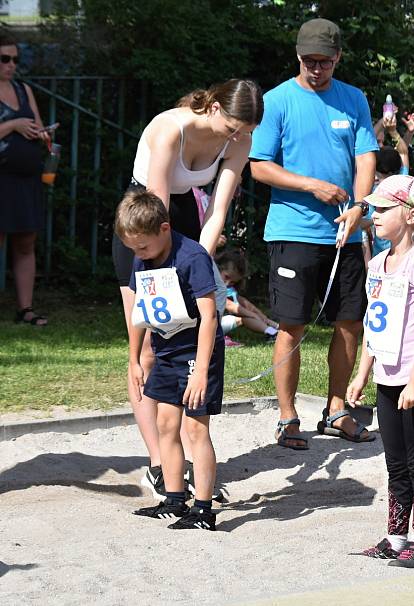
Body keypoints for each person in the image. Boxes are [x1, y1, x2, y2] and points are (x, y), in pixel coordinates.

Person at [112, 78, 263, 499]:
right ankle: (160, 461)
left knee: (187, 336)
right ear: (213, 106)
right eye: (232, 127)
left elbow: (218, 208)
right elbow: (154, 210)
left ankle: (181, 458)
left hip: (186, 223)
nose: (237, 137)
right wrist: (165, 267)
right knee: (146, 345)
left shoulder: (240, 139)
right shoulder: (169, 129)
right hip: (146, 220)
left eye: (245, 131)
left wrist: (197, 259)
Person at [249, 18, 378, 450]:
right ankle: (287, 417)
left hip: (343, 232)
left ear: (338, 57)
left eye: (324, 61)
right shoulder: (276, 101)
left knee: (349, 323)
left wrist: (360, 206)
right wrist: (311, 185)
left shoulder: (354, 99)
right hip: (294, 230)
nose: (316, 68)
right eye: (309, 61)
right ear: (298, 56)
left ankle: (336, 408)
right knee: (292, 325)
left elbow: (365, 157)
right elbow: (259, 166)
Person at [347, 174, 414, 568]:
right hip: (386, 375)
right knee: (394, 461)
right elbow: (374, 322)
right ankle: (395, 536)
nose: (374, 215)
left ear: (410, 215)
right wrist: (362, 372)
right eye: (373, 209)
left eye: (383, 209)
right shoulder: (376, 264)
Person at [116, 190, 224, 531]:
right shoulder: (142, 258)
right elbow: (138, 312)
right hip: (165, 350)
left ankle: (204, 508)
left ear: (164, 229)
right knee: (165, 424)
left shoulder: (192, 257)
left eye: (143, 247)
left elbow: (209, 317)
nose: (139, 254)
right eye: (134, 249)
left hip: (197, 352)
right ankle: (175, 499)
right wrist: (134, 359)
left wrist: (201, 372)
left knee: (195, 427)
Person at [0, 33, 49, 326]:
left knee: (26, 242)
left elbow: (39, 126)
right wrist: (13, 125)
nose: (11, 65)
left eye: (15, 59)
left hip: (26, 178)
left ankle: (25, 308)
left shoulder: (23, 90)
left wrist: (42, 134)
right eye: (4, 59)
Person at [214, 247, 279, 345]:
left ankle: (274, 331)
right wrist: (253, 315)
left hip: (219, 323)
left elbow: (245, 304)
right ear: (218, 269)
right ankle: (273, 333)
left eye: (232, 282)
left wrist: (263, 317)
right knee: (243, 320)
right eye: (226, 277)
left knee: (246, 315)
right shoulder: (214, 286)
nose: (227, 283)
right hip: (210, 325)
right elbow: (230, 305)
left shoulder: (228, 289)